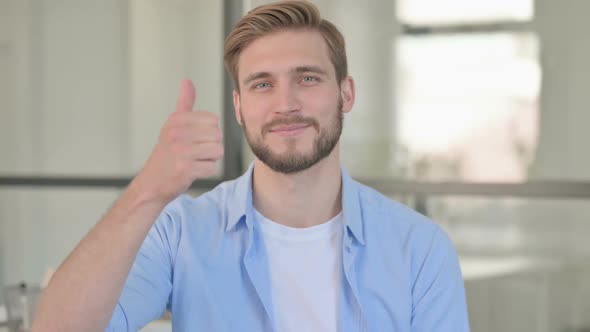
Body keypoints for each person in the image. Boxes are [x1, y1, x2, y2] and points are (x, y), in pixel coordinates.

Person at [31, 1, 470, 331]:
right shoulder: (181, 231)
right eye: (263, 84)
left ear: (346, 93)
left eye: (308, 78)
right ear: (239, 107)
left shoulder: (419, 249)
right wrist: (150, 188)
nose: (286, 104)